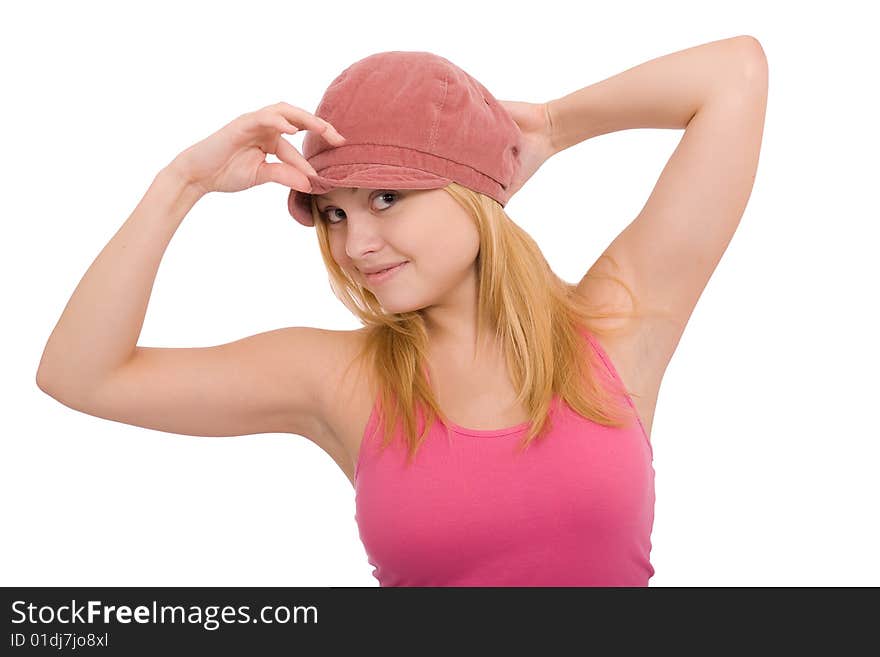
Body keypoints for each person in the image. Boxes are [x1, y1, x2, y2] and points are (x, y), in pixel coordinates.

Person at [38, 48, 729, 587]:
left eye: (388, 197)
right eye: (335, 212)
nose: (354, 243)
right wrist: (182, 183)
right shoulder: (342, 378)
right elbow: (80, 374)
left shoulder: (615, 324)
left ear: (471, 193)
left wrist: (549, 126)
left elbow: (733, 74)